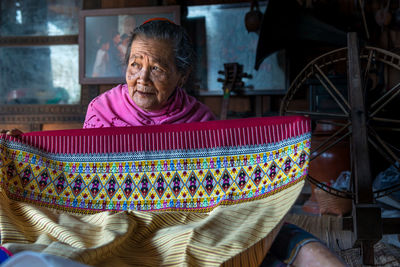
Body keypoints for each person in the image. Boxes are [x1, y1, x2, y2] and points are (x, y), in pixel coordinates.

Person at [2, 18, 346, 267]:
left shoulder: (199, 120)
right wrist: (26, 153)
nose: (142, 78)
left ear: (181, 75)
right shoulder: (101, 109)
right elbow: (81, 177)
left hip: (183, 220)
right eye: (135, 65)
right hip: (111, 217)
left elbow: (223, 189)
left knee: (266, 226)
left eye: (158, 69)